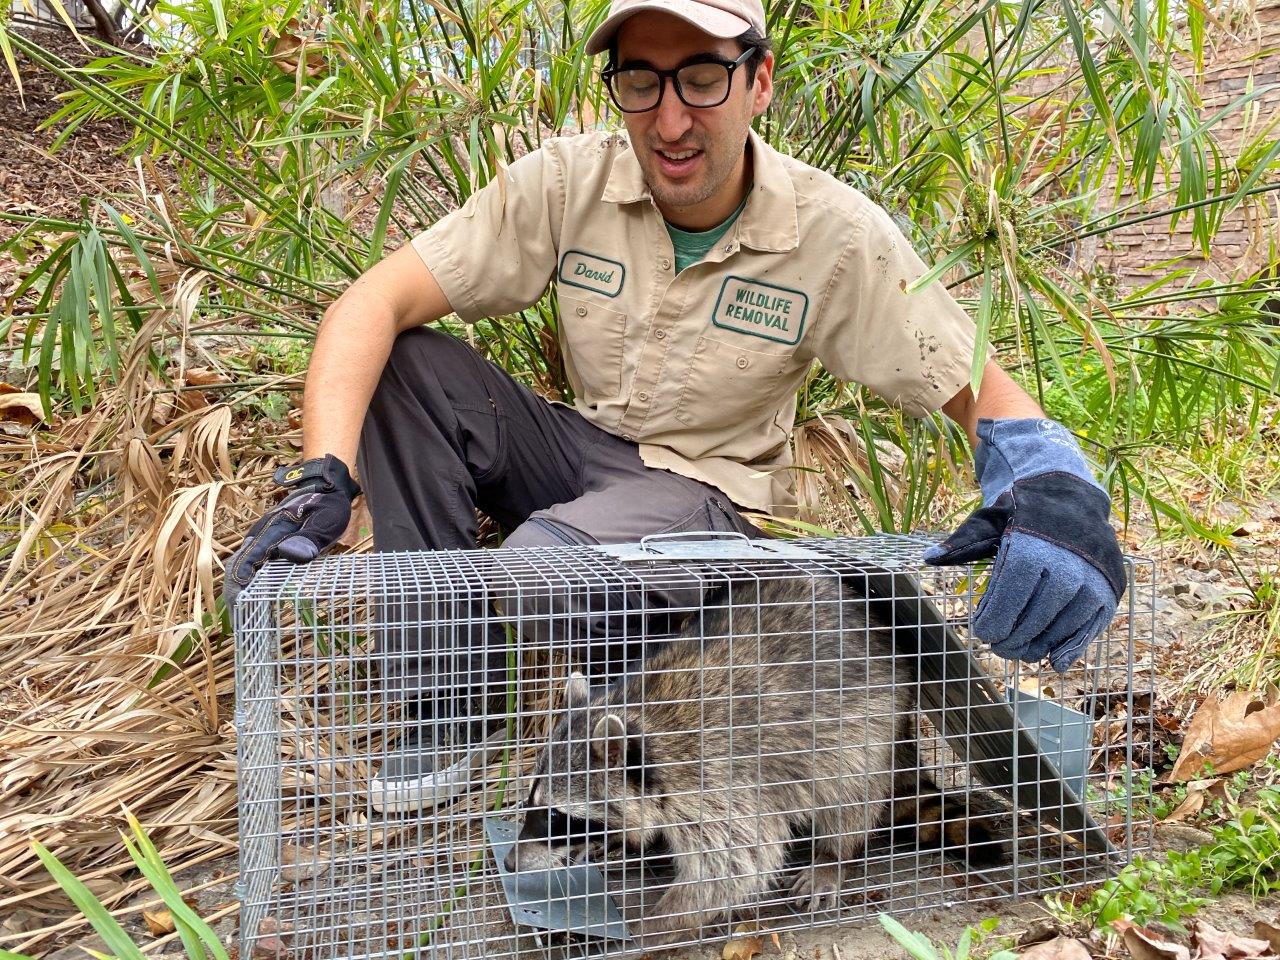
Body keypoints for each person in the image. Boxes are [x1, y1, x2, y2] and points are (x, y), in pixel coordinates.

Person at [223, 0, 1126, 813]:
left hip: (705, 498)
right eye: (640, 81)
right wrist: (322, 480)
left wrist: (1055, 487)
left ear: (759, 80)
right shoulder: (569, 180)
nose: (671, 117)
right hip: (580, 455)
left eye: (702, 76)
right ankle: (448, 708)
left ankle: (647, 704)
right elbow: (371, 304)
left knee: (544, 571)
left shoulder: (836, 234)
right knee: (407, 364)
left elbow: (979, 384)